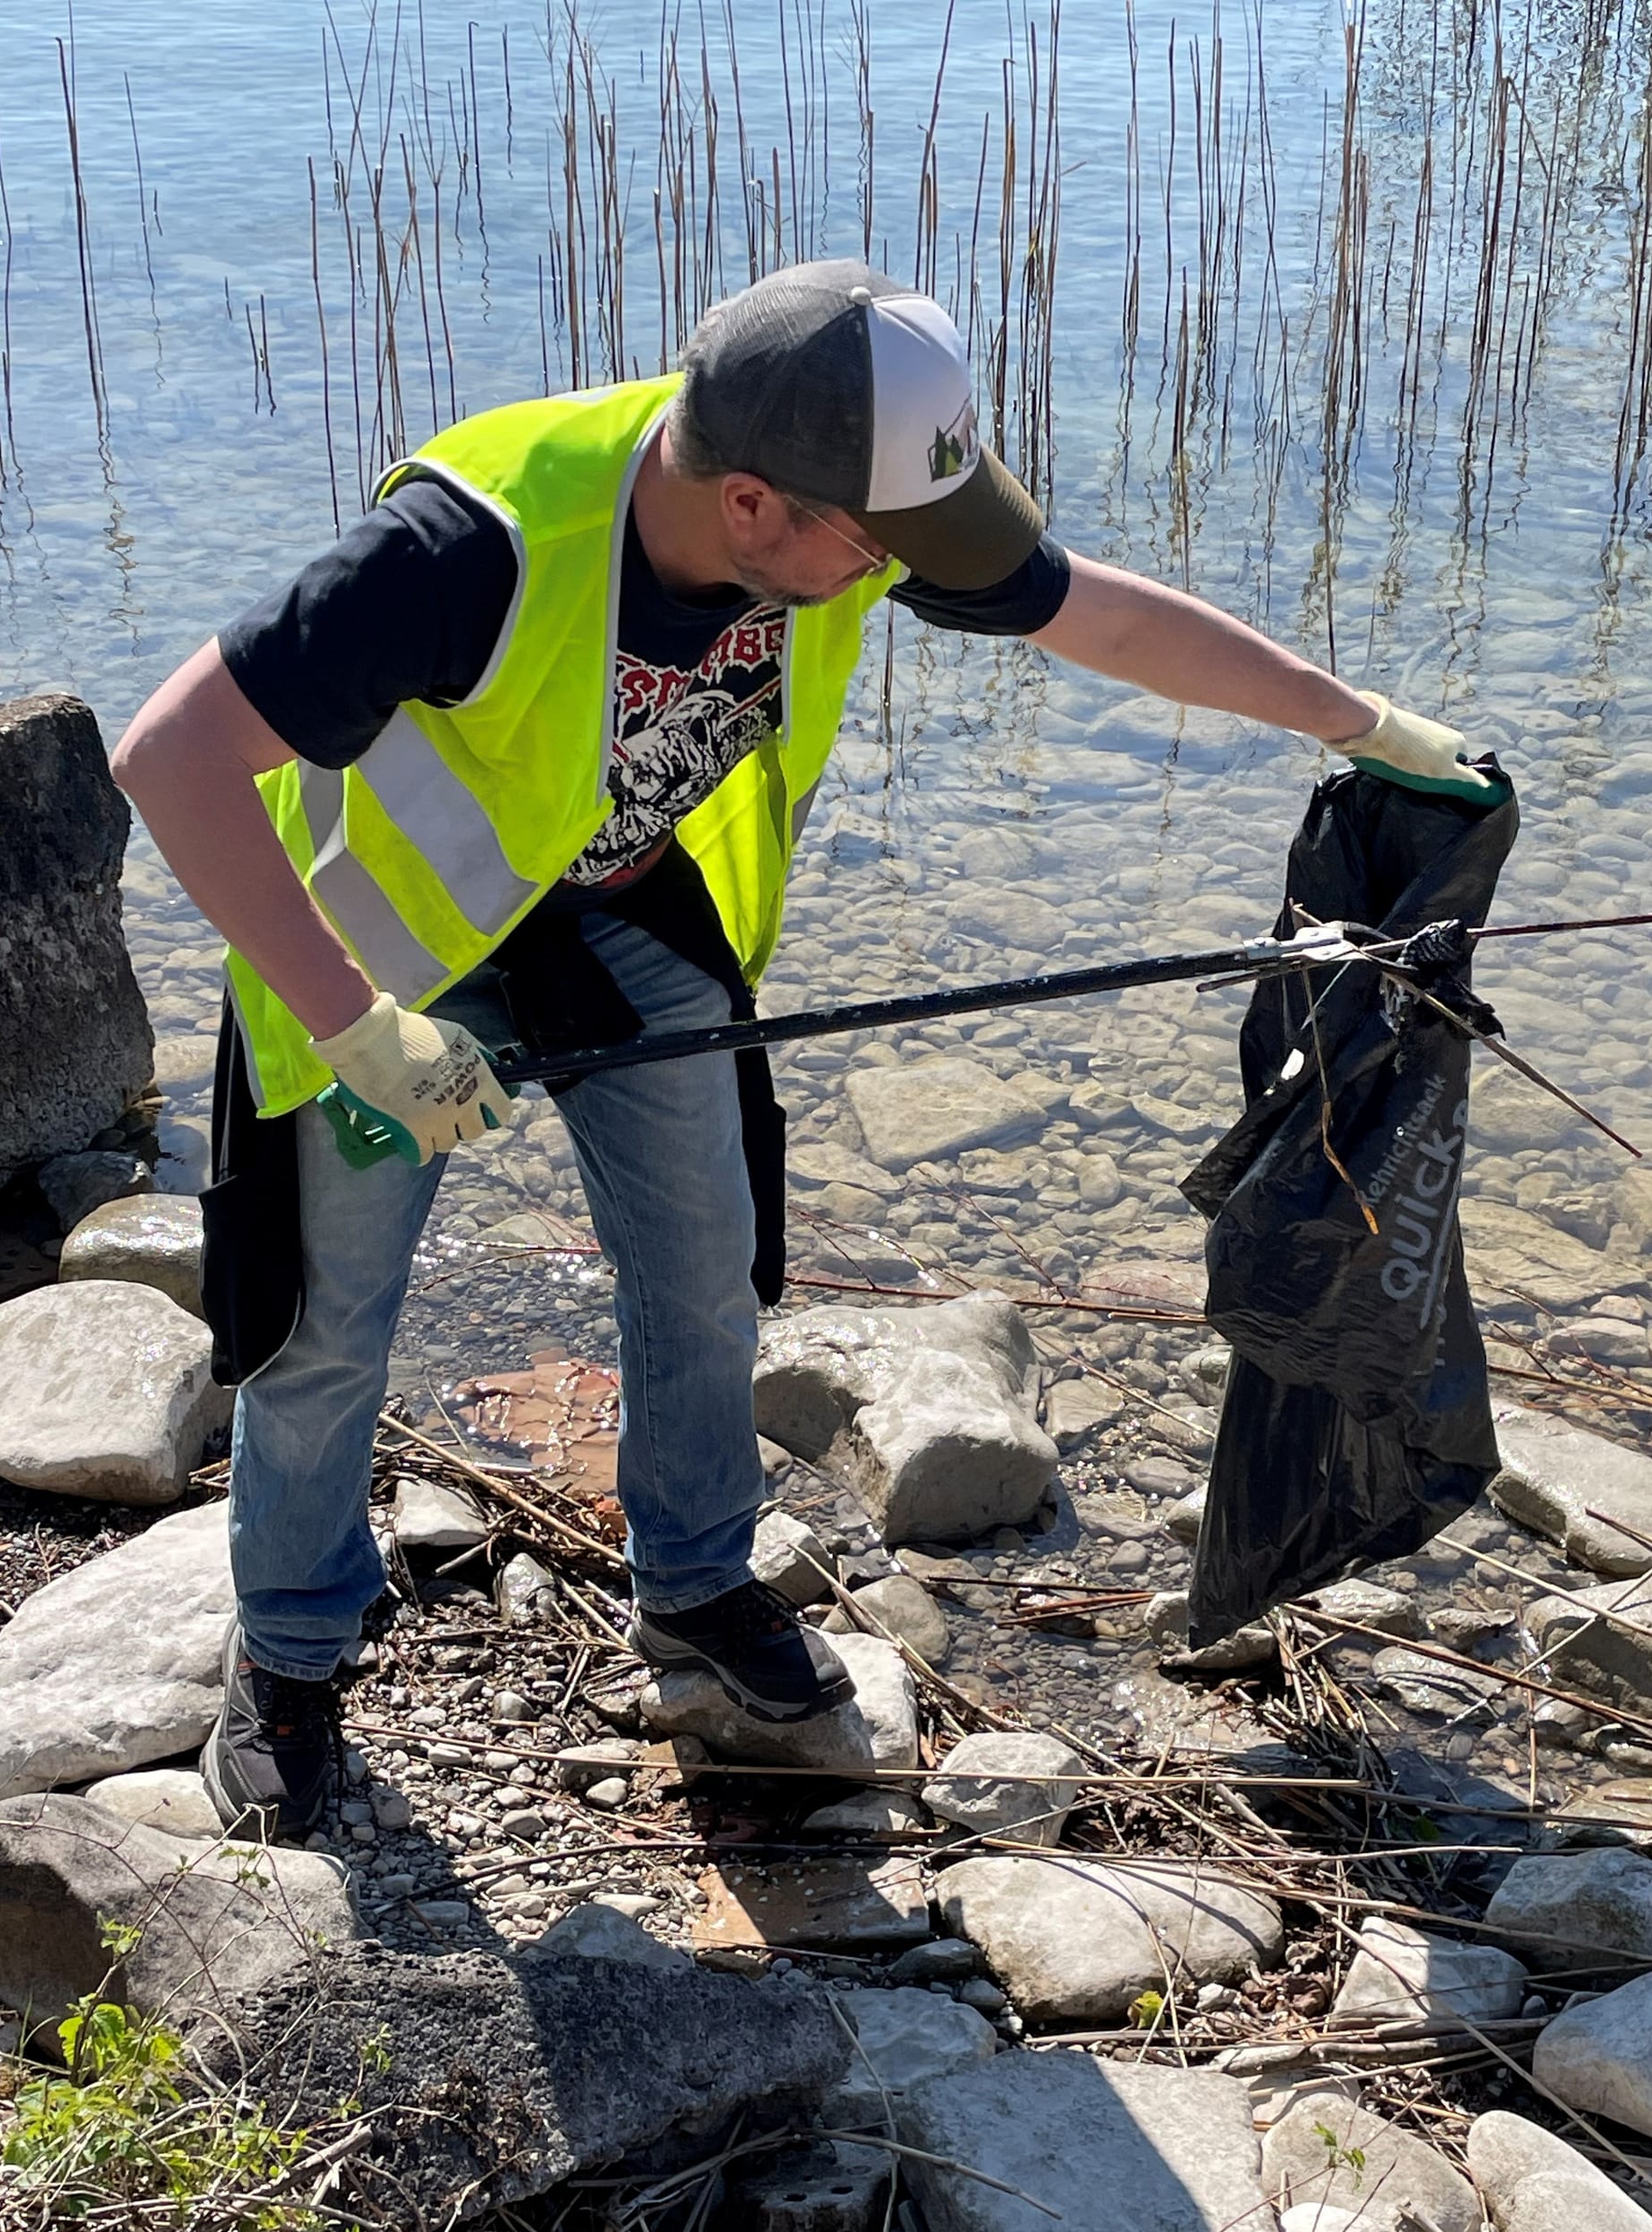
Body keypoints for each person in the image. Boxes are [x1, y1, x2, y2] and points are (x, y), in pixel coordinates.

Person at [112, 259, 1490, 1838]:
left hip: (620, 908)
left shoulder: (840, 510)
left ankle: (697, 1586)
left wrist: (1355, 722)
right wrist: (356, 1026)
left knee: (706, 1264)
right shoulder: (467, 547)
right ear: (753, 503)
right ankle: (291, 1654)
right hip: (386, 944)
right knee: (324, 1327)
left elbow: (1095, 613)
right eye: (880, 546)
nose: (901, 575)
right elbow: (173, 753)